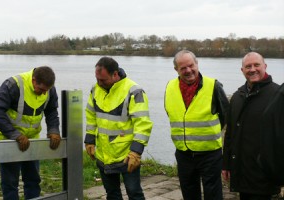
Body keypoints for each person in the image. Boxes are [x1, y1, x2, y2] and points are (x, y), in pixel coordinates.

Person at [84, 57, 153, 200]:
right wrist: (89, 139)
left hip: (127, 155)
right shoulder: (95, 89)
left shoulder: (134, 91)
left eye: (103, 80)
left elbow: (142, 123)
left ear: (115, 74)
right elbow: (91, 115)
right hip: (104, 153)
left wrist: (136, 152)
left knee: (134, 193)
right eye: (97, 79)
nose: (99, 83)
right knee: (112, 193)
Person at [0, 66, 61, 200]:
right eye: (41, 90)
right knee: (10, 182)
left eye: (47, 90)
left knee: (33, 180)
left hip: (32, 140)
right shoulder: (13, 85)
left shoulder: (49, 89)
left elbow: (51, 112)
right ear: (34, 80)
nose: (44, 94)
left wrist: (53, 130)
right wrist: (15, 135)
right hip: (8, 140)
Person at [164, 50, 229, 200]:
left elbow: (225, 115)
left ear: (197, 63)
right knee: (189, 193)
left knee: (213, 194)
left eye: (191, 65)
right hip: (183, 153)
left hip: (210, 153)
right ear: (176, 70)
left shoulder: (214, 86)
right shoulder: (170, 87)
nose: (188, 70)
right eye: (183, 68)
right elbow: (170, 112)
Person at [222, 52, 281, 199]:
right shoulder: (238, 96)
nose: (252, 69)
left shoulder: (278, 95)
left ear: (265, 66)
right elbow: (230, 133)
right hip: (242, 170)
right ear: (242, 70)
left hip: (264, 173)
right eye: (248, 66)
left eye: (256, 65)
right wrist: (226, 164)